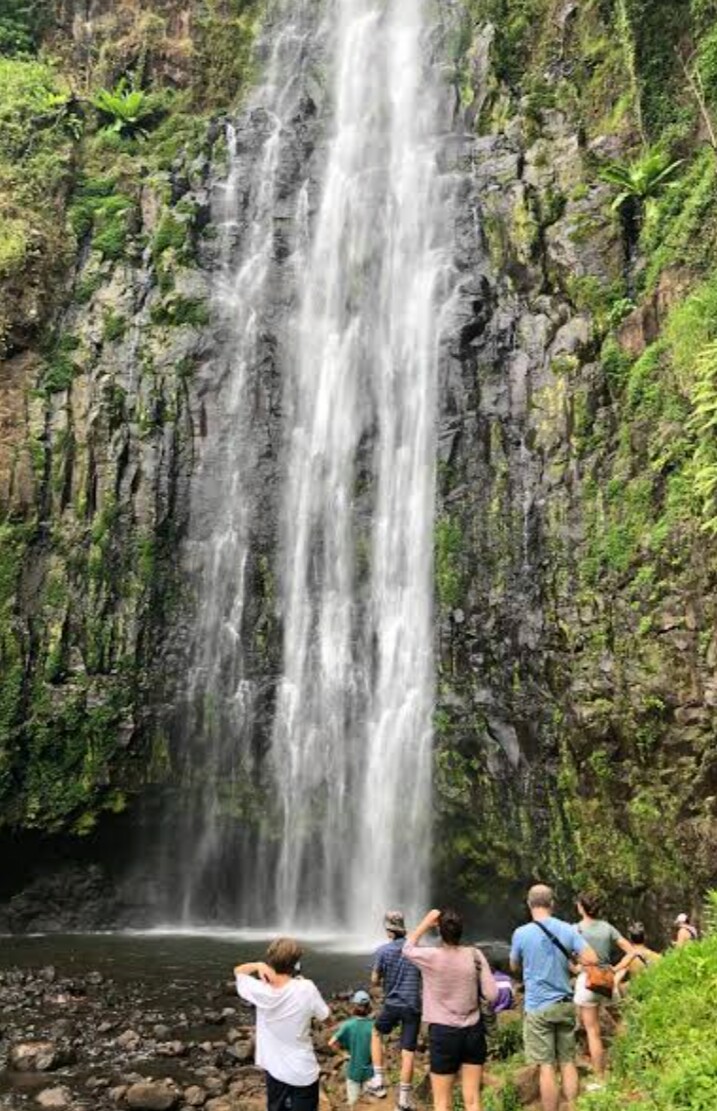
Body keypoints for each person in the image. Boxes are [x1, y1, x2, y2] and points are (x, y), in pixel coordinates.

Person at [510, 884, 598, 1111]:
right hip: (564, 1005)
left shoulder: (521, 933)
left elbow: (514, 965)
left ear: (529, 904)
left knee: (547, 1066)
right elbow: (592, 958)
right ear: (552, 904)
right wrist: (574, 964)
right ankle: (573, 1106)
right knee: (568, 1062)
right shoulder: (567, 929)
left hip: (538, 1008)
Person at [403, 907, 498, 1111]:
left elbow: (407, 948)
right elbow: (492, 995)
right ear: (461, 930)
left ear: (440, 931)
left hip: (443, 1034)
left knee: (442, 1103)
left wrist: (427, 921)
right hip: (473, 1032)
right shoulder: (475, 955)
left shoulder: (430, 956)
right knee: (473, 1100)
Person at [234, 937, 329, 1111]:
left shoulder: (258, 990)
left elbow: (238, 971)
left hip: (275, 1071)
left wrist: (258, 965)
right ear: (295, 964)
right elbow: (325, 1016)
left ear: (270, 961)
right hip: (302, 1072)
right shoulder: (306, 988)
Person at [573, 891, 635, 1085]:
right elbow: (632, 951)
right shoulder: (608, 928)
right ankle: (628, 1064)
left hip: (587, 981)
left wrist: (575, 968)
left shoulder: (575, 929)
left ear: (581, 908)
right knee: (621, 1021)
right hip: (608, 980)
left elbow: (564, 954)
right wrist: (615, 969)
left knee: (593, 1032)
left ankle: (600, 1079)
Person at [365, 910, 422, 1110]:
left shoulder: (383, 951)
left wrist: (383, 976)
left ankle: (378, 1079)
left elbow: (374, 980)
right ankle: (404, 1100)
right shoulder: (415, 950)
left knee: (376, 1032)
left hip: (392, 1004)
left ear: (389, 930)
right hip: (412, 1006)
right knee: (408, 1052)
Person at [329, 989, 374, 1107]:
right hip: (369, 1072)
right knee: (369, 1105)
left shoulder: (348, 1025)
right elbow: (380, 1050)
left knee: (353, 1104)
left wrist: (343, 1055)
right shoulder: (374, 1026)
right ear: (369, 1007)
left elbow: (331, 1043)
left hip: (353, 1070)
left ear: (354, 1006)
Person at [613, 921, 661, 994]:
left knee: (622, 986)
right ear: (645, 937)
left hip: (637, 991)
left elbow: (617, 972)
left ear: (630, 938)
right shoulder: (656, 956)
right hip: (652, 990)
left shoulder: (628, 958)